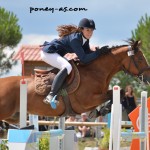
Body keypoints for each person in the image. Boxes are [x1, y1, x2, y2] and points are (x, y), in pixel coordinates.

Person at [41, 18, 110, 109]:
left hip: (57, 54)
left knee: (69, 67)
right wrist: (98, 53)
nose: (90, 33)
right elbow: (84, 59)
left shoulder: (84, 39)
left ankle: (58, 94)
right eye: (87, 30)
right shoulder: (76, 39)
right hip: (49, 53)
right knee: (67, 66)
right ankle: (51, 95)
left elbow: (87, 53)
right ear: (81, 29)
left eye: (92, 30)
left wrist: (99, 52)